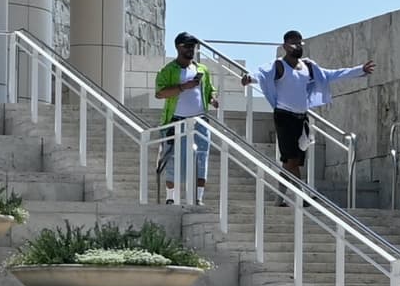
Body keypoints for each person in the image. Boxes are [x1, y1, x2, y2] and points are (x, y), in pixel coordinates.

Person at [239, 31, 370, 184]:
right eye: (294, 43)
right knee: (292, 160)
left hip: (302, 118)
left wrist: (359, 70)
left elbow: (330, 75)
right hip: (284, 116)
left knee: (290, 162)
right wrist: (250, 78)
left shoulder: (308, 66)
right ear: (285, 46)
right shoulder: (279, 65)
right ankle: (302, 195)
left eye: (300, 43)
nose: (298, 46)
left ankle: (279, 198)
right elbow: (262, 74)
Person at [152, 32, 228, 207]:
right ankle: (170, 196)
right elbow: (160, 93)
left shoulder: (202, 69)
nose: (191, 49)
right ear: (179, 47)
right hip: (176, 119)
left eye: (193, 46)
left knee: (201, 156)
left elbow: (210, 89)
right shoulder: (168, 70)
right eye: (187, 46)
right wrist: (182, 87)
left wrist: (213, 99)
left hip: (199, 120)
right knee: (172, 157)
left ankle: (198, 197)